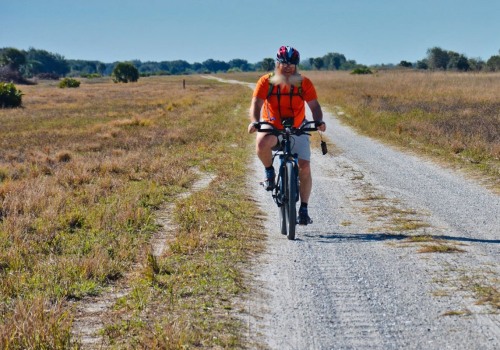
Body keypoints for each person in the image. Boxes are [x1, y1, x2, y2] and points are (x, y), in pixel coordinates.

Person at [247, 45, 326, 225]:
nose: (288, 67)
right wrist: (254, 121)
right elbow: (257, 104)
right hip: (272, 125)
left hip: (297, 127)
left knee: (304, 167)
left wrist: (319, 121)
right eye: (284, 63)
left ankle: (304, 209)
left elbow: (314, 106)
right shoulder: (266, 82)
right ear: (277, 63)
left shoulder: (303, 83)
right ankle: (269, 171)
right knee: (261, 144)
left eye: (292, 63)